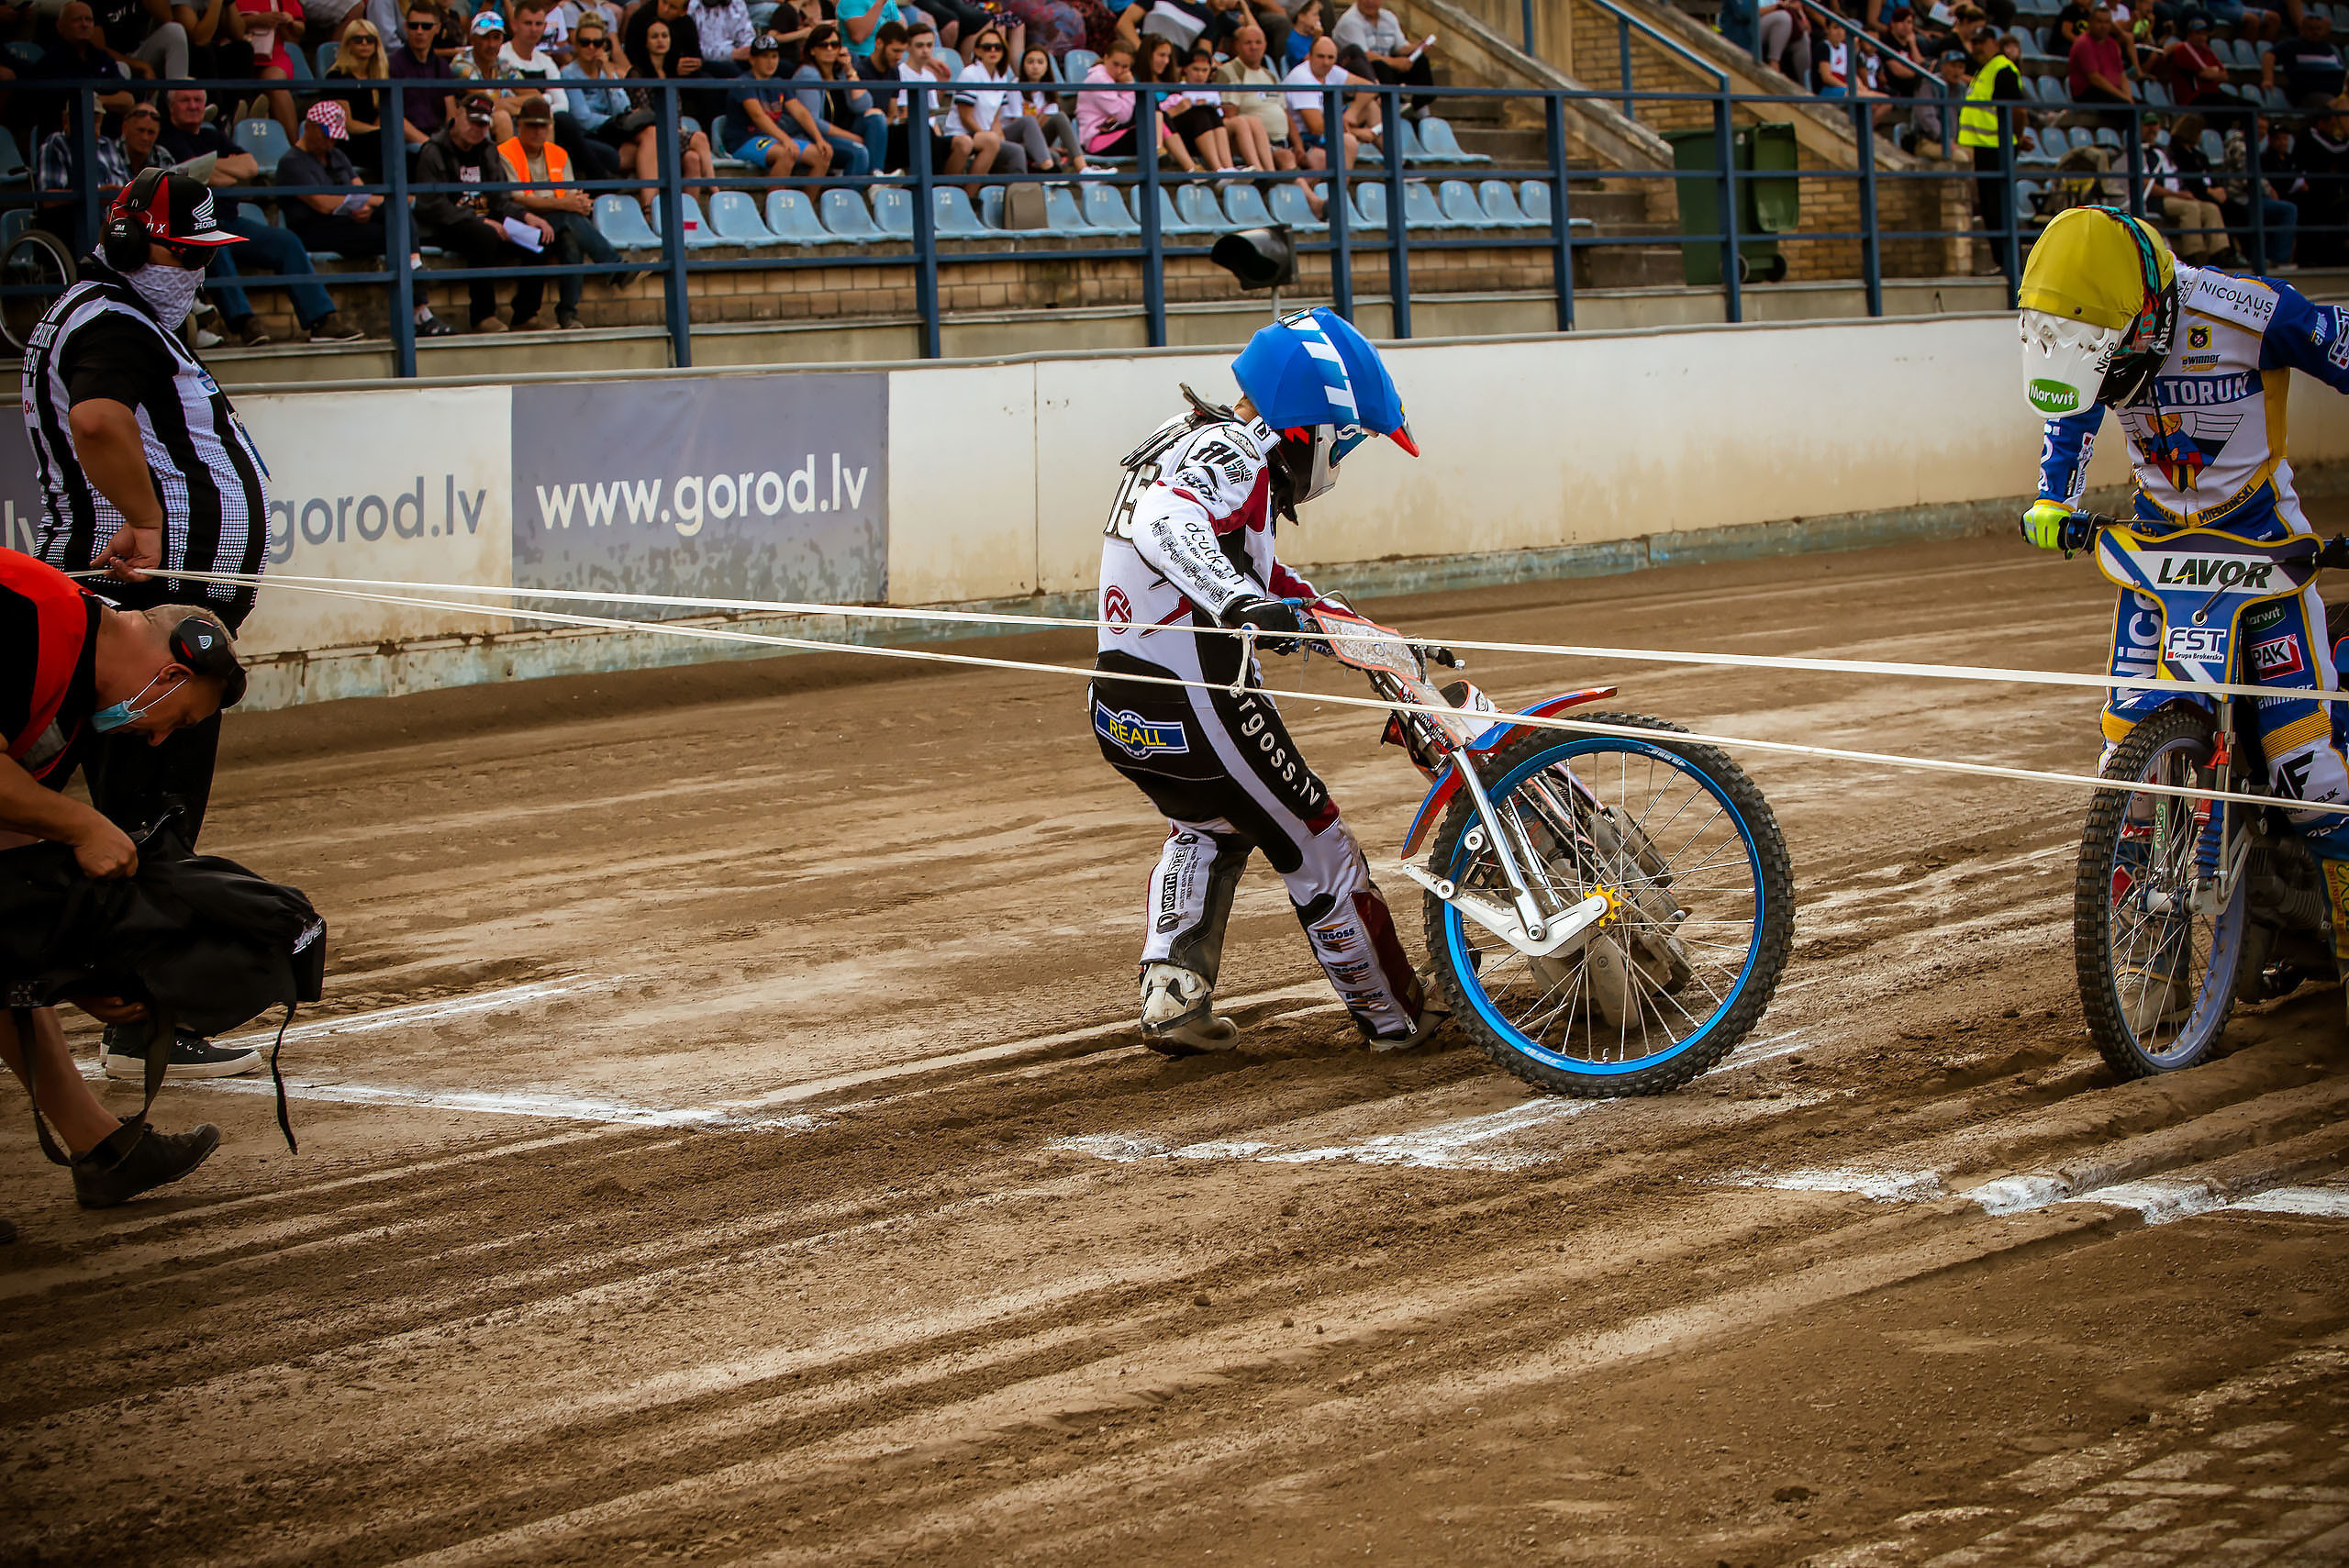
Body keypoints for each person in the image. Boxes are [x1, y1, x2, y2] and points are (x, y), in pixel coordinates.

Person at [2019, 205, 2349, 1025]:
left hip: (2265, 556)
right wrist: (2053, 500)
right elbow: (2073, 411)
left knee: (2310, 777)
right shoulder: (2098, 335)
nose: (2109, 370)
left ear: (2150, 310)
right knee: (2126, 774)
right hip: (2158, 559)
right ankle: (2151, 969)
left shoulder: (2249, 311)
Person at [1091, 307, 1429, 1054]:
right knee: (1317, 839)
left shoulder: (1188, 436)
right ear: (1311, 426)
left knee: (1209, 826)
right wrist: (1235, 602)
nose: (1338, 464)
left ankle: (1173, 999)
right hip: (1198, 700)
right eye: (1345, 442)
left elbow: (1271, 580)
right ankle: (1393, 1017)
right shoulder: (1235, 450)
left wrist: (1370, 640)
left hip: (1120, 704)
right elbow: (1163, 521)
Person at [22, 169, 278, 1080]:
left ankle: (131, 1002)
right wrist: (147, 519)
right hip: (135, 602)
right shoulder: (113, 321)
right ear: (131, 242)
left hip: (139, 598)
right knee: (150, 815)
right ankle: (142, 1015)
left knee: (141, 810)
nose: (196, 273)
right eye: (184, 253)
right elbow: (98, 421)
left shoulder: (114, 316)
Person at [1, 553, 244, 1207]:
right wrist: (83, 825)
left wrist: (73, 973)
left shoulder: (73, 704)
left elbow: (8, 856)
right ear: (169, 675)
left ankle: (106, 1150)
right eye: (180, 720)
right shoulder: (29, 617)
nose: (161, 741)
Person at [413, 87, 556, 329]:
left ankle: (525, 315)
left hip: (488, 221)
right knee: (484, 235)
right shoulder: (433, 151)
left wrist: (526, 216)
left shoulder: (488, 150)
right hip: (448, 225)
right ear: (458, 116)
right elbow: (432, 205)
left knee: (540, 236)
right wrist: (477, 220)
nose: (477, 129)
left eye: (482, 125)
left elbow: (500, 199)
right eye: (472, 122)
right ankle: (483, 316)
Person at [497, 95, 613, 327]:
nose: (538, 131)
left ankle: (568, 314)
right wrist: (564, 204)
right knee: (567, 220)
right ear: (519, 125)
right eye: (532, 126)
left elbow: (570, 196)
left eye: (543, 126)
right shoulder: (505, 152)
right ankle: (613, 265)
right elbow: (517, 199)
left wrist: (580, 204)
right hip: (518, 222)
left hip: (555, 221)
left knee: (571, 238)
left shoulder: (558, 153)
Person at [623, 17, 718, 203]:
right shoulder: (637, 74)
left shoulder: (671, 73)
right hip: (650, 135)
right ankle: (716, 192)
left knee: (692, 159)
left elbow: (677, 112)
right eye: (654, 37)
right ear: (646, 42)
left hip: (672, 134)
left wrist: (676, 129)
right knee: (700, 138)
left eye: (664, 36)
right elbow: (644, 114)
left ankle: (689, 214)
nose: (660, 40)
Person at [1957, 21, 2023, 271]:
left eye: (1981, 42)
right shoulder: (1983, 70)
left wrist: (2017, 137)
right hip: (1985, 147)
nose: (1976, 47)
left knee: (1999, 208)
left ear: (1994, 43)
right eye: (1973, 43)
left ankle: (2010, 264)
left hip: (1998, 147)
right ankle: (2002, 262)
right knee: (1990, 208)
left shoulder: (2002, 69)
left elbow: (2017, 110)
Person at [794, 25, 885, 172]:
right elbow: (813, 121)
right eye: (823, 45)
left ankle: (876, 176)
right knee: (859, 151)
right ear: (812, 50)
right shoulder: (808, 74)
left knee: (876, 117)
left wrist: (849, 70)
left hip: (844, 132)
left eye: (834, 45)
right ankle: (856, 187)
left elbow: (863, 106)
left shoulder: (841, 73)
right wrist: (852, 138)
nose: (830, 49)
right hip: (817, 137)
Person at [728, 31, 821, 173]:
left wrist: (819, 139)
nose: (770, 61)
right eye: (764, 56)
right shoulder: (743, 83)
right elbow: (758, 116)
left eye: (774, 56)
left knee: (821, 155)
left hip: (771, 139)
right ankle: (776, 190)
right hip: (744, 141)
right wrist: (785, 139)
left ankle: (810, 191)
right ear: (752, 60)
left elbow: (800, 112)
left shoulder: (778, 83)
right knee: (787, 153)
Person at [2143, 112, 2230, 260]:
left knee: (2211, 208)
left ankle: (2219, 253)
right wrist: (2178, 195)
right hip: (2158, 199)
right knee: (2191, 207)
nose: (2152, 129)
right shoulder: (2142, 153)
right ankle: (2194, 254)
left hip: (2177, 196)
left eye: (2155, 125)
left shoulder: (2164, 152)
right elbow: (2146, 185)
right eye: (2147, 125)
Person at [1331, 0, 1432, 116]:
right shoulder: (1349, 22)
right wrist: (1396, 63)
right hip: (1361, 72)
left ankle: (1421, 109)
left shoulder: (1389, 18)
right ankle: (1392, 108)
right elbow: (1364, 55)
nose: (1370, 2)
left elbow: (1400, 47)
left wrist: (1418, 47)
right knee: (1380, 65)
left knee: (1420, 61)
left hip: (1386, 69)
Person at [318, 16, 390, 176]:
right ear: (348, 45)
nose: (364, 43)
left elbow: (382, 115)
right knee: (386, 143)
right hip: (345, 142)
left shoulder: (379, 77)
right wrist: (379, 131)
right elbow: (346, 124)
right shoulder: (336, 77)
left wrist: (380, 131)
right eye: (358, 40)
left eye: (369, 40)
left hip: (373, 139)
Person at [1215, 23, 1291, 168]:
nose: (1254, 47)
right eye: (1248, 43)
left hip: (1283, 142)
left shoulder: (1269, 75)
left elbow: (1285, 112)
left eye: (1258, 42)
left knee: (1317, 159)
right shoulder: (1229, 72)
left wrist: (1299, 146)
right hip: (1255, 144)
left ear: (1265, 45)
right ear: (1237, 46)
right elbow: (1230, 117)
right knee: (1287, 159)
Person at [389, 0, 459, 157]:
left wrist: (450, 142)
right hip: (408, 141)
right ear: (406, 27)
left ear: (437, 28)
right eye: (413, 26)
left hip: (439, 136)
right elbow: (395, 116)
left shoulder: (442, 66)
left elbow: (451, 113)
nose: (419, 31)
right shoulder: (393, 65)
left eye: (426, 26)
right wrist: (431, 145)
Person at [1284, 30, 1356, 175]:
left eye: (1330, 57)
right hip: (1302, 138)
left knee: (1371, 109)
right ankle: (1341, 188)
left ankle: (1399, 165)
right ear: (1309, 56)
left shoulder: (1331, 70)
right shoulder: (1302, 77)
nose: (1326, 62)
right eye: (1320, 56)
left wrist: (1351, 115)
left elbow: (1369, 88)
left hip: (1323, 132)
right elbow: (1315, 127)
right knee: (1348, 141)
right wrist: (1359, 132)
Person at [232, 0, 306, 132]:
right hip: (235, 52)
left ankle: (294, 143)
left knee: (274, 83)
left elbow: (299, 29)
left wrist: (289, 22)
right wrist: (255, 21)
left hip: (272, 53)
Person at [1010, 44, 1085, 171]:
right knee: (1053, 156)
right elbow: (1019, 126)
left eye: (1040, 62)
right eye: (1030, 62)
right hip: (1017, 142)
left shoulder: (1049, 89)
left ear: (1047, 66)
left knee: (1060, 117)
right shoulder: (1014, 86)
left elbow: (1042, 127)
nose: (1035, 66)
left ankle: (1083, 168)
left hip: (1038, 141)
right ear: (1023, 65)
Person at [1164, 45, 1238, 167]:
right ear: (1185, 69)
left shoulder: (1213, 91)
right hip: (1186, 135)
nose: (1200, 74)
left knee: (1211, 113)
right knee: (1201, 114)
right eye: (1196, 69)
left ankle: (1228, 166)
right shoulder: (1177, 89)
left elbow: (1219, 115)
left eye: (1204, 70)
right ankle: (1217, 167)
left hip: (1210, 130)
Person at [2263, 7, 2345, 109]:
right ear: (2302, 29)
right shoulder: (2293, 45)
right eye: (2311, 29)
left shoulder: (2328, 48)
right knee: (2340, 107)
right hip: (2310, 95)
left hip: (2338, 94)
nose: (2315, 32)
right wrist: (2268, 79)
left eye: (2318, 29)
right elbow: (2269, 56)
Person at [2066, 3, 2132, 118]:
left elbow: (2121, 74)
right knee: (2128, 110)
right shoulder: (2084, 43)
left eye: (2107, 22)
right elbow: (2095, 78)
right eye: (2099, 22)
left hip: (2112, 92)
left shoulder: (2112, 43)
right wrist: (2123, 97)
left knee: (2146, 109)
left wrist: (2128, 96)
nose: (2103, 26)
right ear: (2090, 23)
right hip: (2089, 93)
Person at [2166, 13, 2240, 109]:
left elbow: (2225, 76)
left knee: (2249, 105)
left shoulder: (2206, 49)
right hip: (2193, 99)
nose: (2202, 37)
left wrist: (2215, 71)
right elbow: (2206, 74)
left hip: (2211, 95)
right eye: (2198, 33)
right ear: (2189, 35)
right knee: (2230, 105)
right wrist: (2216, 70)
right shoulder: (2184, 49)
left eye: (2204, 34)